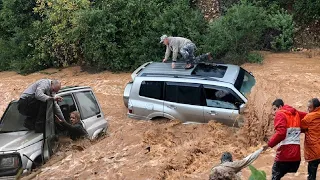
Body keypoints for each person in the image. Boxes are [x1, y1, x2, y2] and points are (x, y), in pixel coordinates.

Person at [263, 99, 307, 180]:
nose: (273, 113)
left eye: (274, 109)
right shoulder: (296, 113)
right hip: (296, 158)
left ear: (280, 107)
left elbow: (281, 133)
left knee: (275, 175)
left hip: (284, 156)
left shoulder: (280, 114)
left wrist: (269, 145)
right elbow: (309, 117)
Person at [301, 98, 320, 180]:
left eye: (310, 108)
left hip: (313, 151)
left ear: (315, 108)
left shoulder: (309, 117)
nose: (308, 110)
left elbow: (301, 127)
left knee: (311, 176)